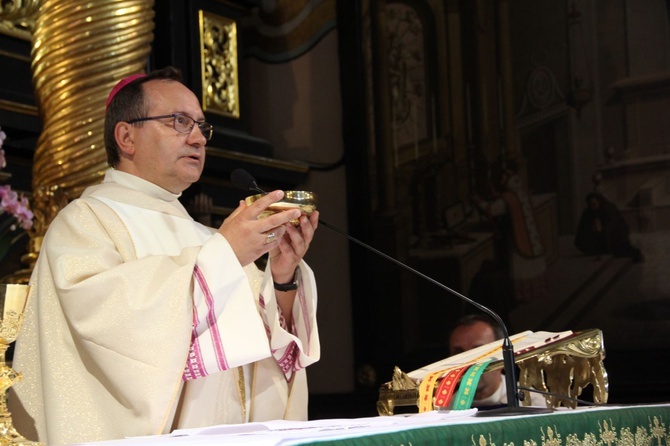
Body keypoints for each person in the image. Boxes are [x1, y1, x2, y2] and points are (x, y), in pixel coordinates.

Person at [9, 67, 321, 445]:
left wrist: (281, 277)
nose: (197, 138)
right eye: (179, 121)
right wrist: (224, 255)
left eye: (202, 127)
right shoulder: (85, 222)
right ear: (126, 136)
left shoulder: (208, 237)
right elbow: (113, 329)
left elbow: (264, 354)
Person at [448, 314, 547, 409]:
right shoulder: (444, 411)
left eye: (478, 353)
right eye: (459, 353)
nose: (468, 362)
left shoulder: (532, 403)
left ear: (502, 357)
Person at [574, 192, 643, 262]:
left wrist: (601, 229)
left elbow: (614, 226)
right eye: (590, 205)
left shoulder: (608, 209)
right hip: (601, 239)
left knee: (624, 249)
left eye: (594, 204)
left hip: (616, 238)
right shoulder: (588, 213)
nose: (592, 207)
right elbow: (583, 229)